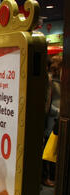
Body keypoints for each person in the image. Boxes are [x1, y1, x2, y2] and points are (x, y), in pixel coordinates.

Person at [43, 55, 62, 188]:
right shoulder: (50, 81)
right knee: (49, 148)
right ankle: (47, 176)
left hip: (53, 117)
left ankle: (49, 176)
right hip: (52, 118)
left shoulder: (54, 81)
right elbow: (49, 102)